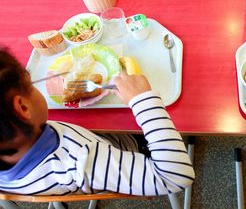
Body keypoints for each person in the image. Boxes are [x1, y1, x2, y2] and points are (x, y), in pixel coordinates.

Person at [0, 47, 194, 196]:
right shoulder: (83, 159)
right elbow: (175, 177)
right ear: (23, 107)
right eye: (31, 86)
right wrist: (143, 101)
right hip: (123, 151)